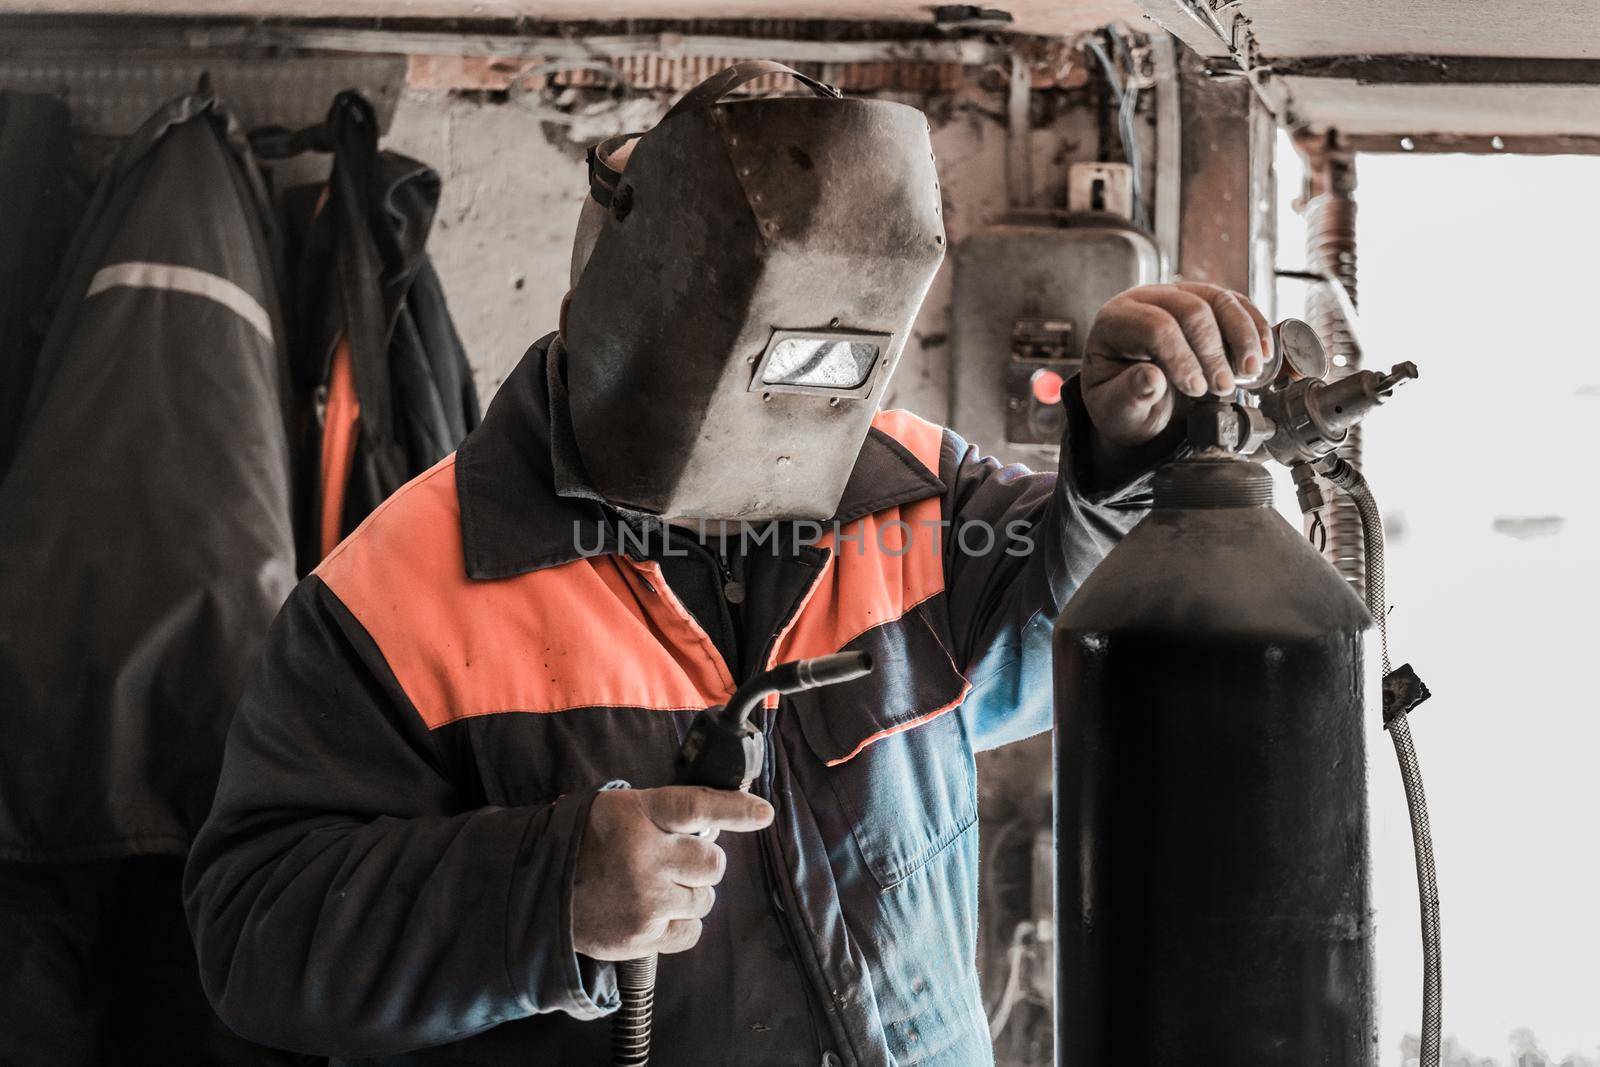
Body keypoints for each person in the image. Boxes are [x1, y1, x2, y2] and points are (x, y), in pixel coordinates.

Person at [184, 62, 1270, 1066]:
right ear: (620, 278)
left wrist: (1130, 451)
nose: (790, 411)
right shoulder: (405, 584)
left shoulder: (917, 489)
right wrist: (541, 891)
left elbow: (1068, 646)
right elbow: (254, 935)